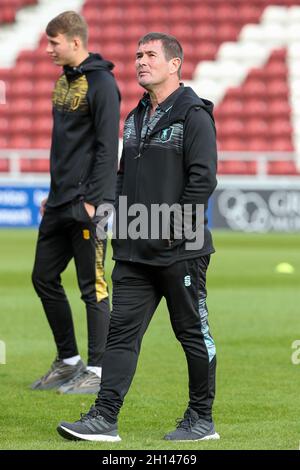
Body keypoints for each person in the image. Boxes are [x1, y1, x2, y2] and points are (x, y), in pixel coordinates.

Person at [57, 32, 219, 440]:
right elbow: (124, 176)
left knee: (192, 335)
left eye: (150, 55)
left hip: (179, 250)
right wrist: (112, 216)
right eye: (137, 55)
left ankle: (201, 420)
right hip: (133, 250)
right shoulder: (134, 117)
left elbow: (202, 182)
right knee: (121, 334)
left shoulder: (194, 115)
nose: (141, 61)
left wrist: (170, 233)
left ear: (174, 64)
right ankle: (104, 418)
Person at [31, 11, 120, 394]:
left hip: (88, 205)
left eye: (54, 42)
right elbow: (63, 147)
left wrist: (94, 201)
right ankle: (69, 361)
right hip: (59, 202)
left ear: (75, 42)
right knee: (43, 277)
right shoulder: (64, 82)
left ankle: (99, 372)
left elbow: (106, 147)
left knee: (93, 288)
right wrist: (54, 194)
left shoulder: (102, 84)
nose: (49, 49)